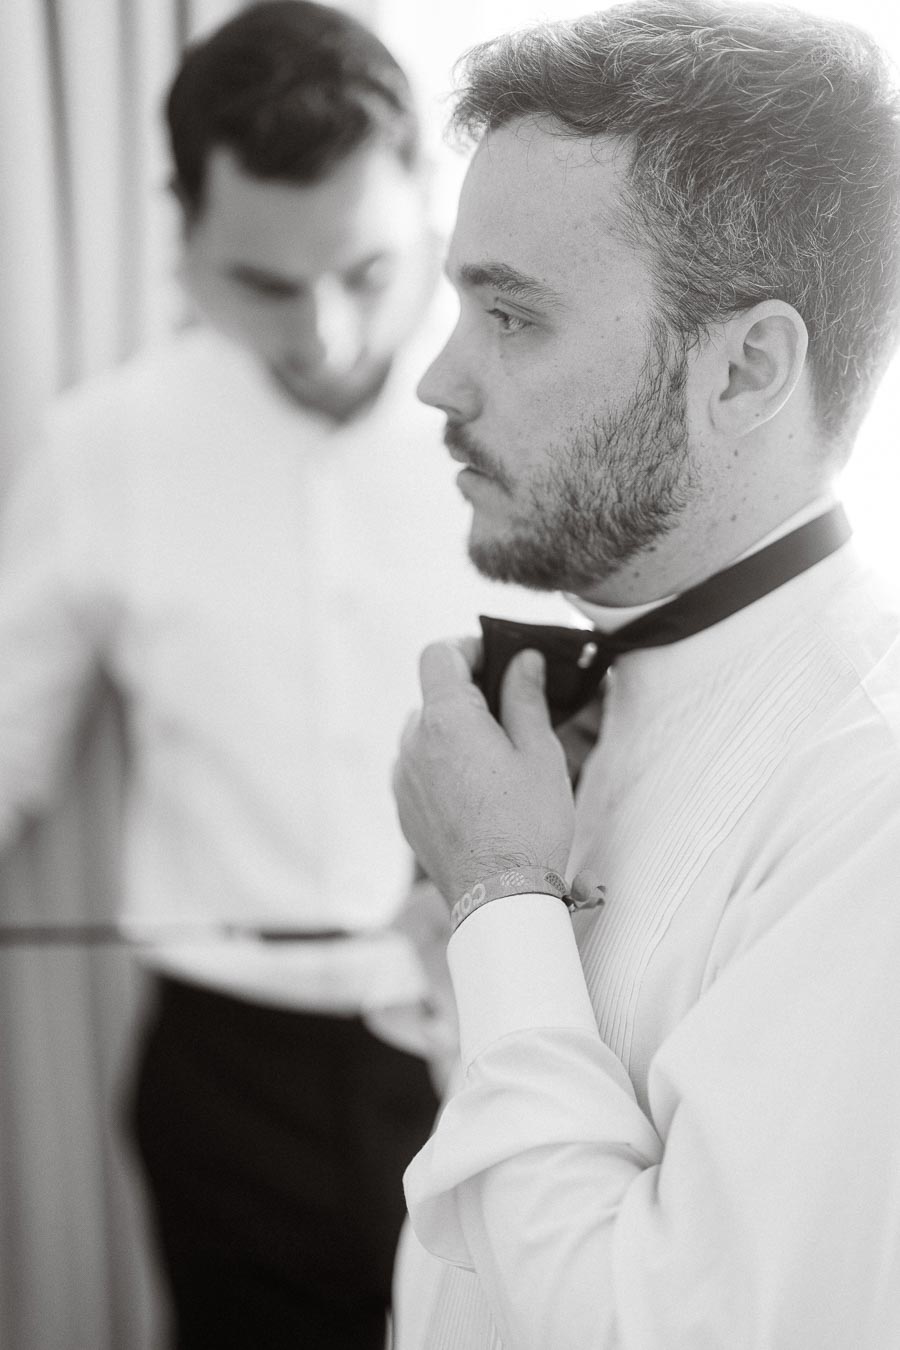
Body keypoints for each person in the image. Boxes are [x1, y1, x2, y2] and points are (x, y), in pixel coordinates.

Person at [0, 3, 565, 1347]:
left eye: (366, 271)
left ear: (430, 211)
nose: (321, 329)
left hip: (497, 1041)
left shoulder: (550, 431)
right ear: (181, 230)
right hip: (222, 1072)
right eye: (264, 283)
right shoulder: (101, 448)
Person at [391, 2, 900, 1346]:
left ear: (744, 370)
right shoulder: (581, 700)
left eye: (512, 315)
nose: (438, 381)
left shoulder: (873, 799)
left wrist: (500, 902)